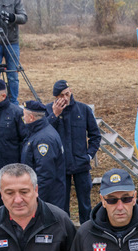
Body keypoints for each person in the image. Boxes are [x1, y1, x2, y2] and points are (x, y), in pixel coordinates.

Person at [47, 80, 101, 221]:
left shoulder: (83, 109)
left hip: (81, 164)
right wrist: (55, 115)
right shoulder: (48, 110)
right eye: (61, 95)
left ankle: (87, 228)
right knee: (61, 204)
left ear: (70, 91)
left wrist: (89, 156)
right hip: (60, 165)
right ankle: (65, 229)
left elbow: (95, 135)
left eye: (67, 93)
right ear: (55, 97)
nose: (65, 98)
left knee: (85, 203)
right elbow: (43, 134)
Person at [21, 100, 66, 211]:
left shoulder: (43, 139)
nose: (23, 118)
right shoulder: (38, 132)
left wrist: (35, 199)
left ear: (31, 117)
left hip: (47, 198)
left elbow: (45, 174)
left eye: (24, 115)